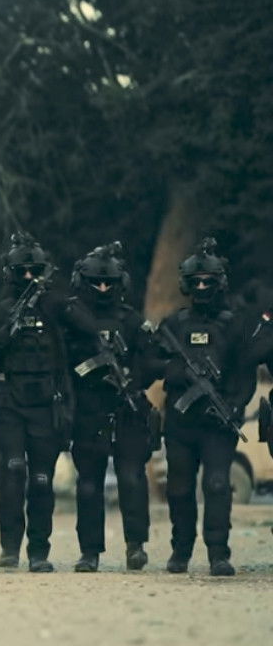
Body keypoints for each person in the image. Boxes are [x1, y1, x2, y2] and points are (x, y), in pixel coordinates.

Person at [0, 233, 69, 573]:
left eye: (34, 271)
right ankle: (9, 547)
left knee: (41, 479)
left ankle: (39, 551)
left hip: (45, 404)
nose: (28, 277)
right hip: (9, 403)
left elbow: (82, 334)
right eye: (21, 271)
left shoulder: (54, 310)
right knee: (12, 470)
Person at [152, 238, 253, 577]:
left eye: (208, 281)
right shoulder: (174, 325)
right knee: (179, 488)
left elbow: (245, 372)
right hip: (181, 423)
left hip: (218, 425)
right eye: (195, 282)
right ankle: (180, 550)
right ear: (186, 284)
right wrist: (175, 371)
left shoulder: (234, 325)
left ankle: (218, 554)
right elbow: (148, 363)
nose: (201, 288)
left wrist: (236, 405)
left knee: (218, 484)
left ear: (219, 283)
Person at [60, 242, 156, 573]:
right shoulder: (72, 321)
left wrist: (133, 379)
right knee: (89, 484)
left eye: (109, 283)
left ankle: (136, 545)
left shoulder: (131, 321)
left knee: (132, 479)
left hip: (127, 408)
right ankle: (89, 551)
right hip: (89, 408)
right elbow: (60, 362)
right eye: (95, 283)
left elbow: (151, 360)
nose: (102, 289)